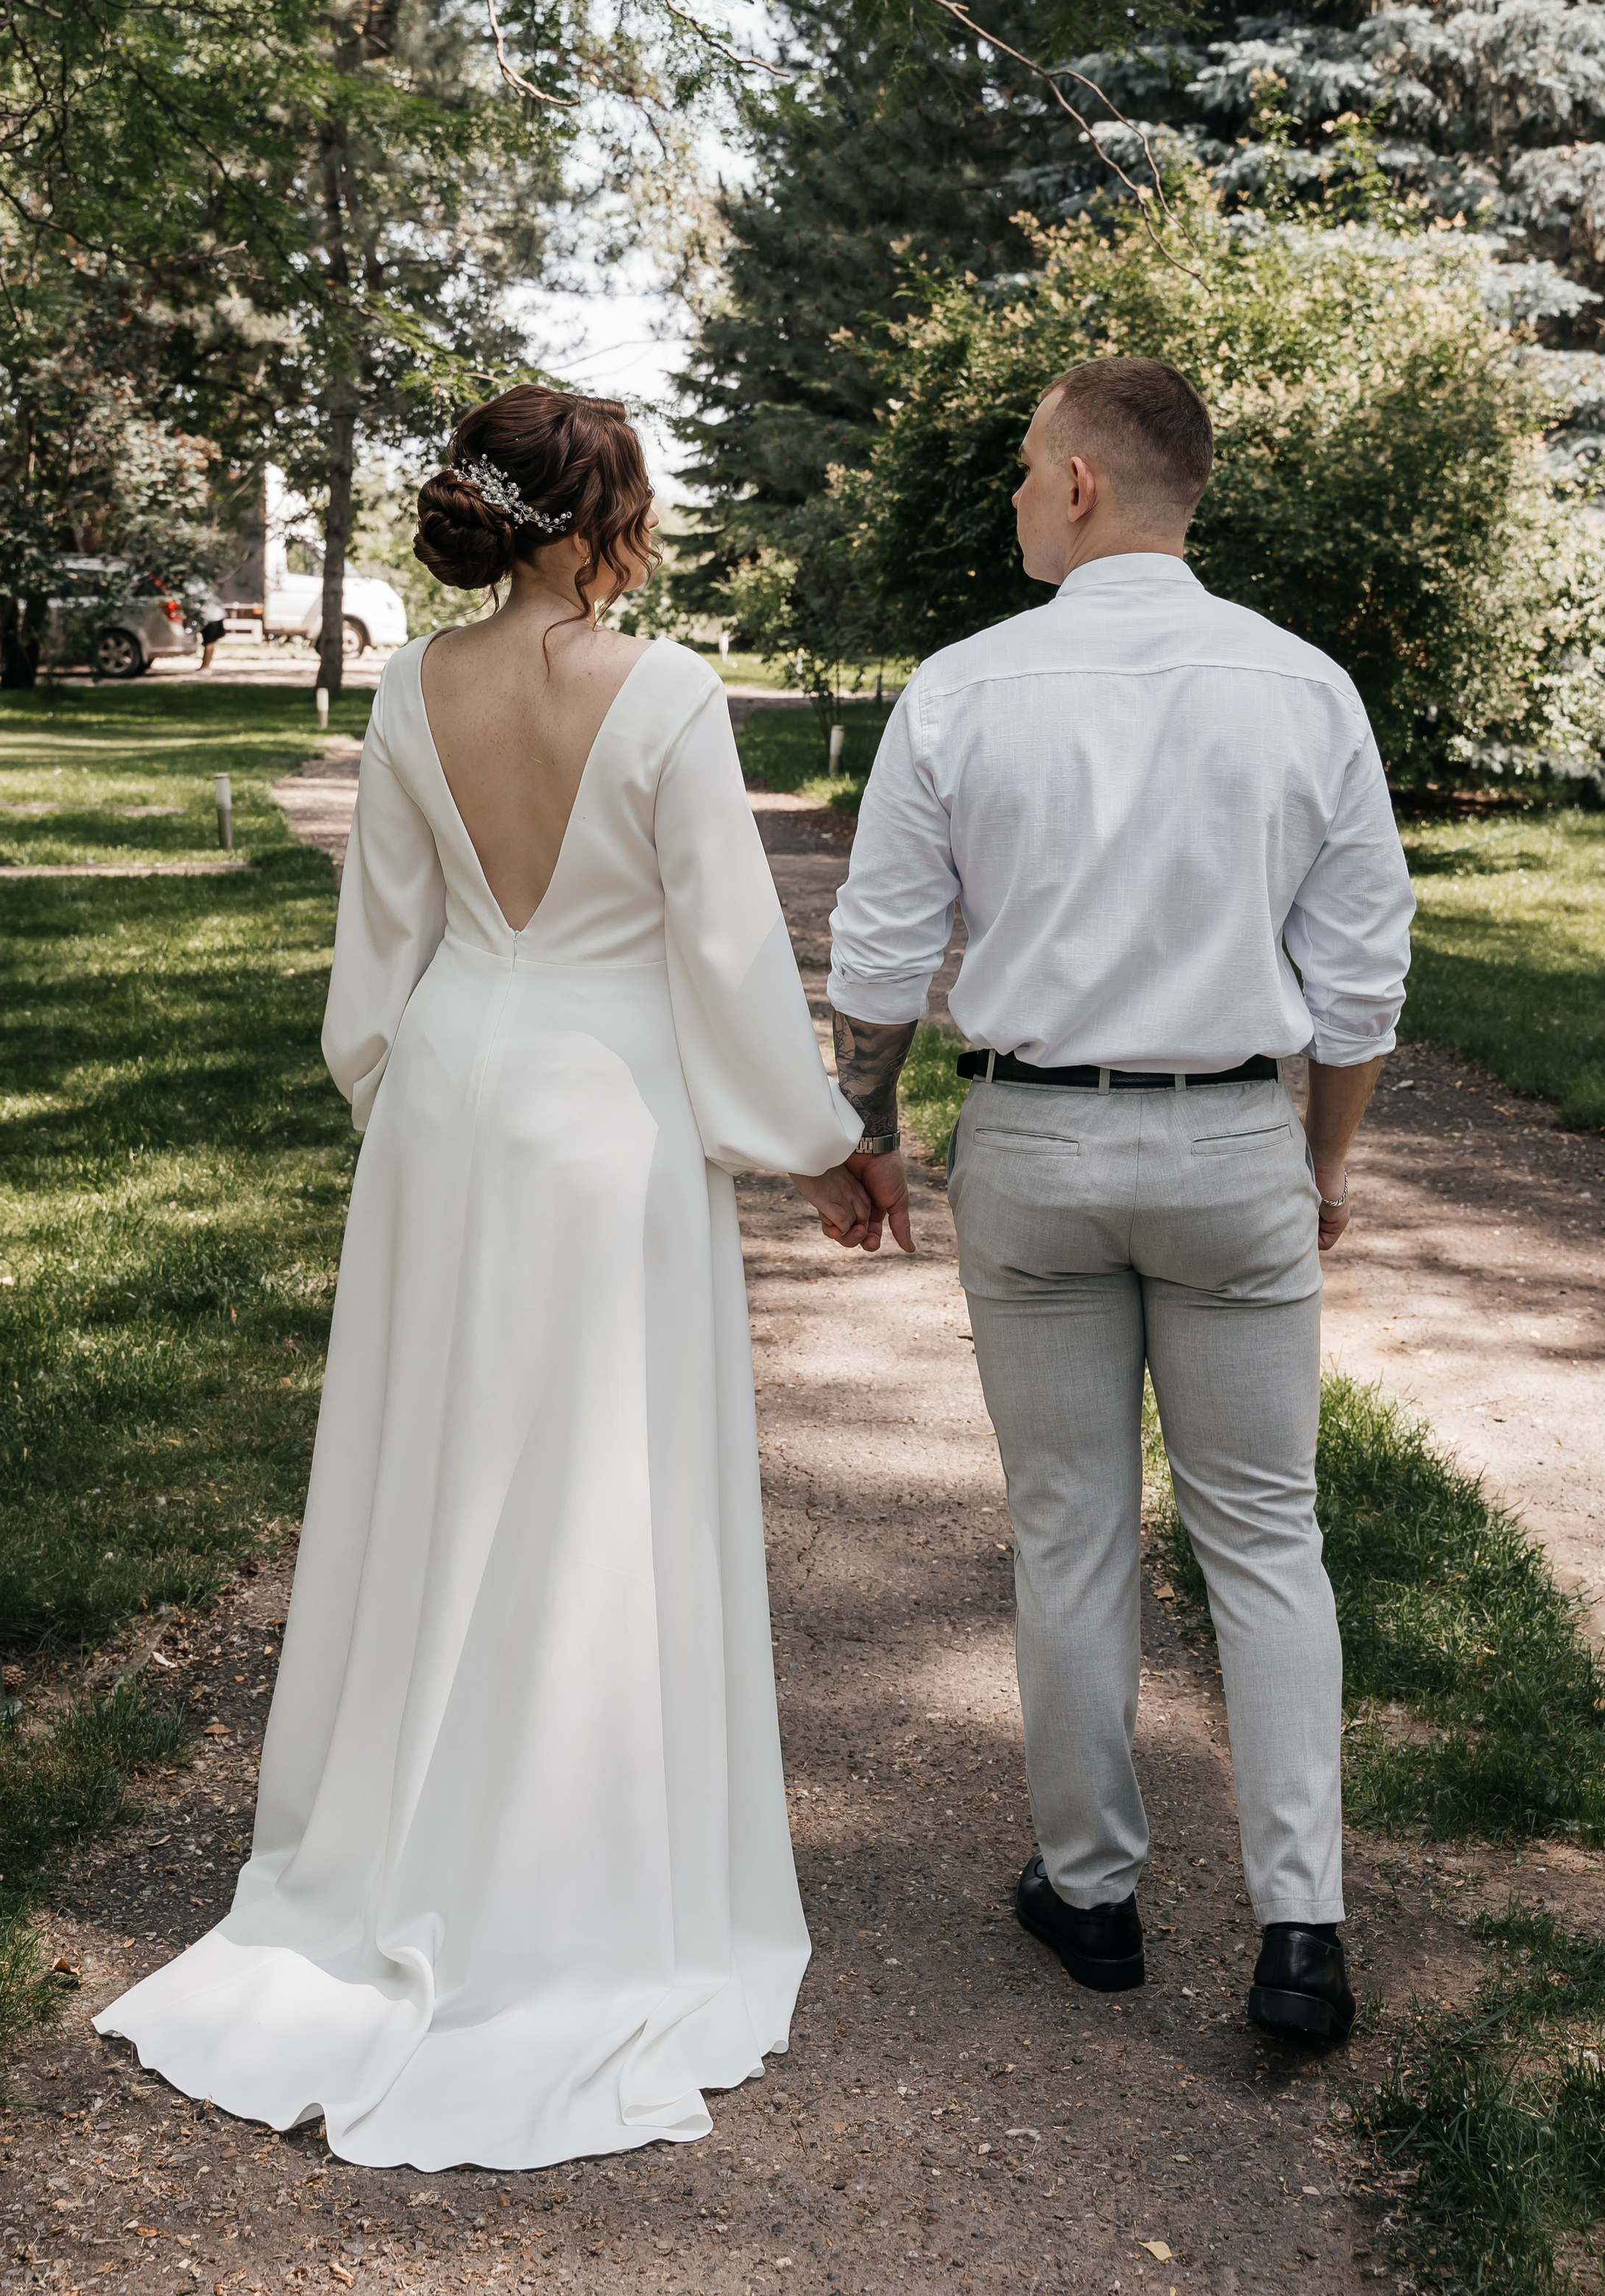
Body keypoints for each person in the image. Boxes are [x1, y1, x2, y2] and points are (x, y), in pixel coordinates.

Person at [97, 386, 877, 2166]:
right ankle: (575, 1868)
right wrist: (824, 1136)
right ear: (603, 518)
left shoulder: (406, 686)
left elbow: (381, 951)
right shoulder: (664, 692)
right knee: (592, 1482)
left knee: (434, 1469)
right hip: (603, 1115)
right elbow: (729, 966)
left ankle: (389, 1848)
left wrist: (411, 1090)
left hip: (452, 1094)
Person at [825, 356, 1414, 2046]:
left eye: (1025, 467)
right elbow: (1358, 982)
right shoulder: (1305, 689)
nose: (1016, 493)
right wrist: (1319, 1164)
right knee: (1263, 1537)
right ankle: (1300, 1932)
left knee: (1067, 1525)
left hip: (1034, 1148)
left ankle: (1091, 1898)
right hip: (1233, 1144)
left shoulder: (960, 690)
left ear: (1080, 483)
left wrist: (860, 1129)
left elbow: (879, 959)